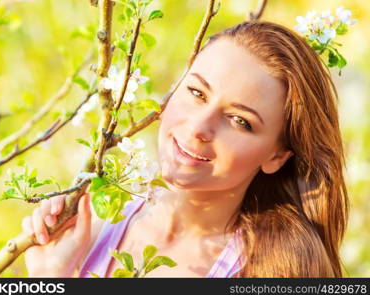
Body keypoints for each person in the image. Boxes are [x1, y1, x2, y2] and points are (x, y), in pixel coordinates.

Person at [21, 21, 349, 278]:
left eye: (239, 121)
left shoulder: (279, 270)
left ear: (277, 156)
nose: (198, 127)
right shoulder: (91, 224)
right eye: (196, 92)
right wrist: (50, 275)